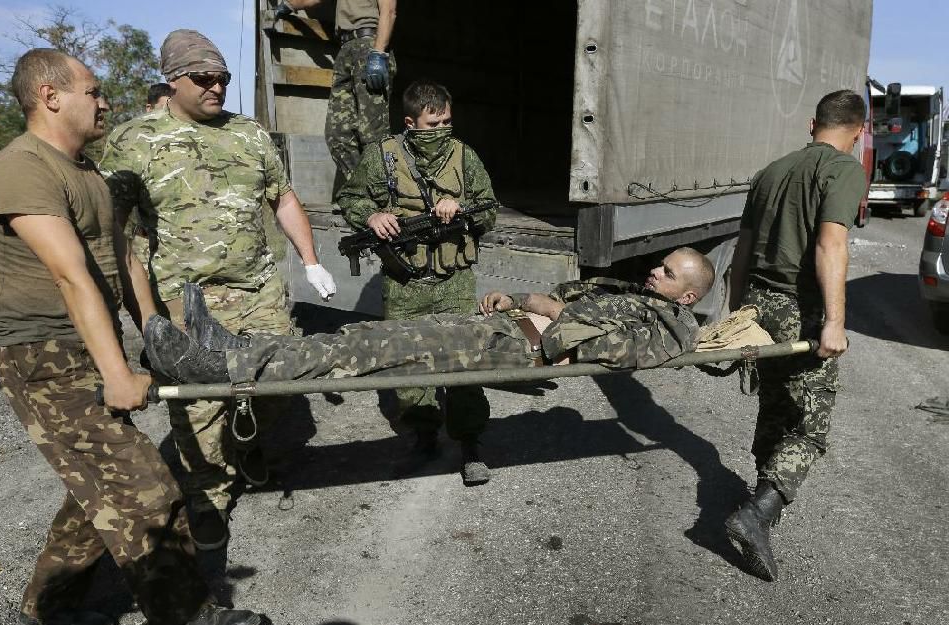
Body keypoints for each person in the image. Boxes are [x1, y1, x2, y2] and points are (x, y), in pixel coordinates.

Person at [0, 48, 263, 625]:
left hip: (87, 344)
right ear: (49, 95)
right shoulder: (20, 168)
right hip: (42, 354)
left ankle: (46, 607)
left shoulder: (88, 172)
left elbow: (125, 259)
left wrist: (157, 333)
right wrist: (116, 371)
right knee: (143, 484)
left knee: (95, 488)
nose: (106, 100)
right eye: (92, 90)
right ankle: (191, 619)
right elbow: (71, 276)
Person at [100, 29, 338, 551]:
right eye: (203, 78)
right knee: (199, 407)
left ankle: (244, 441)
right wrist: (142, 311)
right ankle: (209, 495)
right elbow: (113, 231)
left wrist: (312, 261)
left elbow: (283, 199)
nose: (216, 87)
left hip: (258, 289)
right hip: (183, 300)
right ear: (173, 80)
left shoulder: (249, 133)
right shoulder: (133, 140)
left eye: (223, 78)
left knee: (281, 381)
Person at [143, 248, 715, 402]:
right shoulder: (629, 293)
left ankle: (225, 363)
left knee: (372, 350)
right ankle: (239, 347)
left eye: (666, 274)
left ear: (687, 294)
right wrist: (520, 295)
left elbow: (612, 351)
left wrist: (550, 311)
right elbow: (558, 298)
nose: (652, 274)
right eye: (658, 267)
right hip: (501, 326)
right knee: (364, 338)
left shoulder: (668, 327)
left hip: (518, 347)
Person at [726, 89, 867, 582]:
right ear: (859, 131)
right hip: (797, 307)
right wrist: (834, 320)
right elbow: (832, 244)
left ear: (812, 124)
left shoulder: (772, 170)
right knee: (810, 425)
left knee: (776, 404)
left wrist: (736, 312)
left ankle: (761, 501)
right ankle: (758, 513)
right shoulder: (845, 169)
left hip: (757, 304)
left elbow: (740, 250)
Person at [338, 79, 499, 484]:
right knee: (409, 366)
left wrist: (460, 207)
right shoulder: (383, 157)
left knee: (464, 364)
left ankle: (470, 444)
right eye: (433, 124)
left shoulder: (465, 156)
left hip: (454, 281)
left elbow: (490, 210)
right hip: (403, 284)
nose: (442, 129)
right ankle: (425, 438)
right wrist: (371, 217)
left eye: (447, 121)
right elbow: (351, 197)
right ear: (410, 122)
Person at [276, 0, 396, 182]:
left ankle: (388, 196)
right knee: (338, 134)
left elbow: (389, 12)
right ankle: (362, 191)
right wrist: (288, 5)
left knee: (373, 133)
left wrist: (378, 53)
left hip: (370, 46)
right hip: (345, 49)